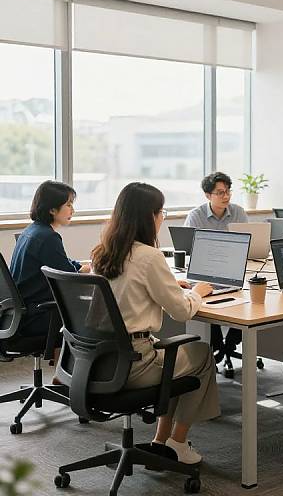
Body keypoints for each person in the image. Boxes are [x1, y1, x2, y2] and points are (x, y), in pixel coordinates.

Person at [91, 182, 219, 464]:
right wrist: (196, 292)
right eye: (160, 211)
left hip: (99, 362)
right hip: (135, 364)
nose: (162, 217)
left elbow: (130, 289)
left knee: (175, 361)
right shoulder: (149, 256)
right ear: (147, 217)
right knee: (200, 356)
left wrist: (170, 284)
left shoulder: (102, 253)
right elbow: (182, 311)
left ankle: (161, 441)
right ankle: (178, 442)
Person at [10, 181, 90, 347]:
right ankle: (76, 371)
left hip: (20, 313)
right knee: (97, 317)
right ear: (52, 209)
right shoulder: (48, 237)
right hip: (37, 315)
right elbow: (67, 279)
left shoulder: (32, 231)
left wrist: (79, 266)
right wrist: (83, 271)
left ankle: (65, 371)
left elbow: (60, 263)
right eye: (68, 205)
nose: (72, 210)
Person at [184, 171, 247, 362]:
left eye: (228, 191)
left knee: (247, 297)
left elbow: (246, 245)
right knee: (205, 297)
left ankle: (231, 343)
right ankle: (217, 344)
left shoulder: (238, 212)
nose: (226, 196)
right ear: (207, 195)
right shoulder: (195, 216)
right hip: (206, 272)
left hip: (233, 270)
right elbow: (188, 249)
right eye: (220, 192)